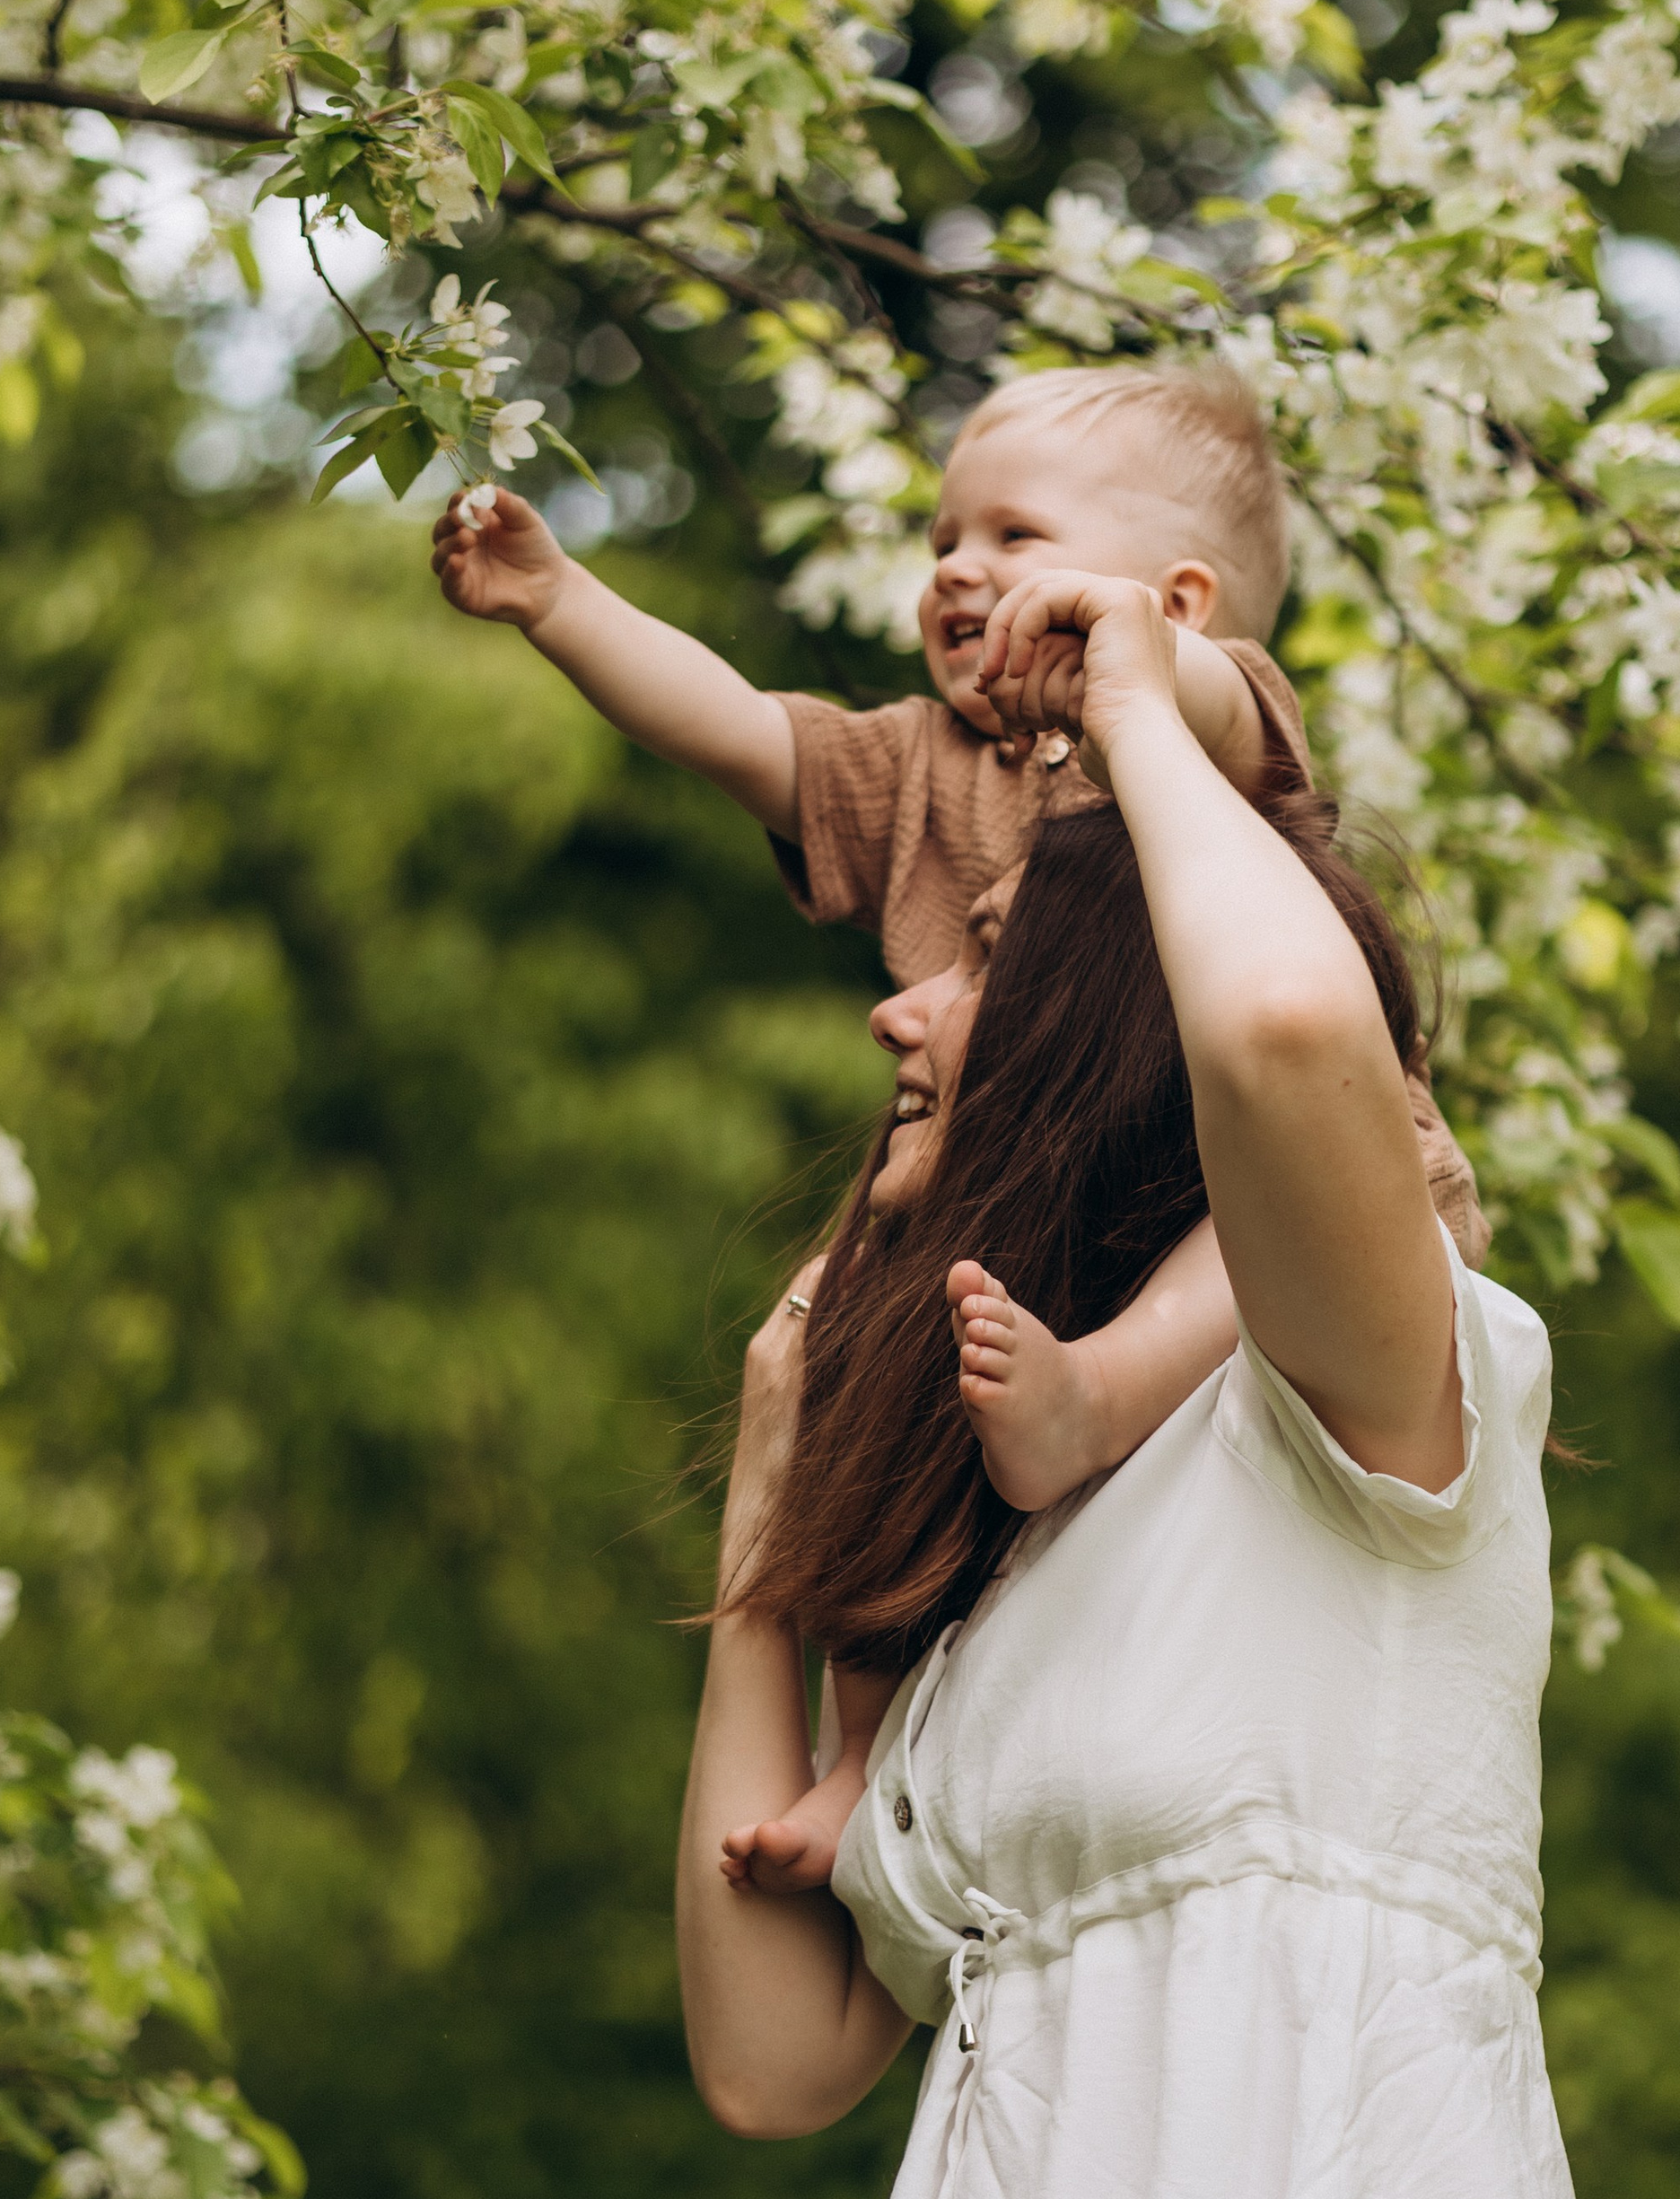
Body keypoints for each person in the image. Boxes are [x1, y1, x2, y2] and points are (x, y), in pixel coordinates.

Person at [676, 573, 1655, 2199]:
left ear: (1112, 1023)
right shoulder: (1019, 1593)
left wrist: (1137, 693)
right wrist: (764, 1504)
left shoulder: (1353, 1394)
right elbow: (771, 2052)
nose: (905, 999)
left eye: (985, 941)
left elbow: (1304, 1050)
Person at [430, 364, 1483, 1546]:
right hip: (1038, 1208)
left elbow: (1219, 707)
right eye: (944, 537)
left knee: (1243, 1231)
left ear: (1177, 603)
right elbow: (738, 727)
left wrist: (1127, 669)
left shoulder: (1204, 732)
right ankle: (867, 1712)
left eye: (1014, 533)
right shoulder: (921, 766)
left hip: (1260, 1182)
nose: (955, 566)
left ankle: (1100, 1398)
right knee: (880, 1355)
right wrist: (561, 602)